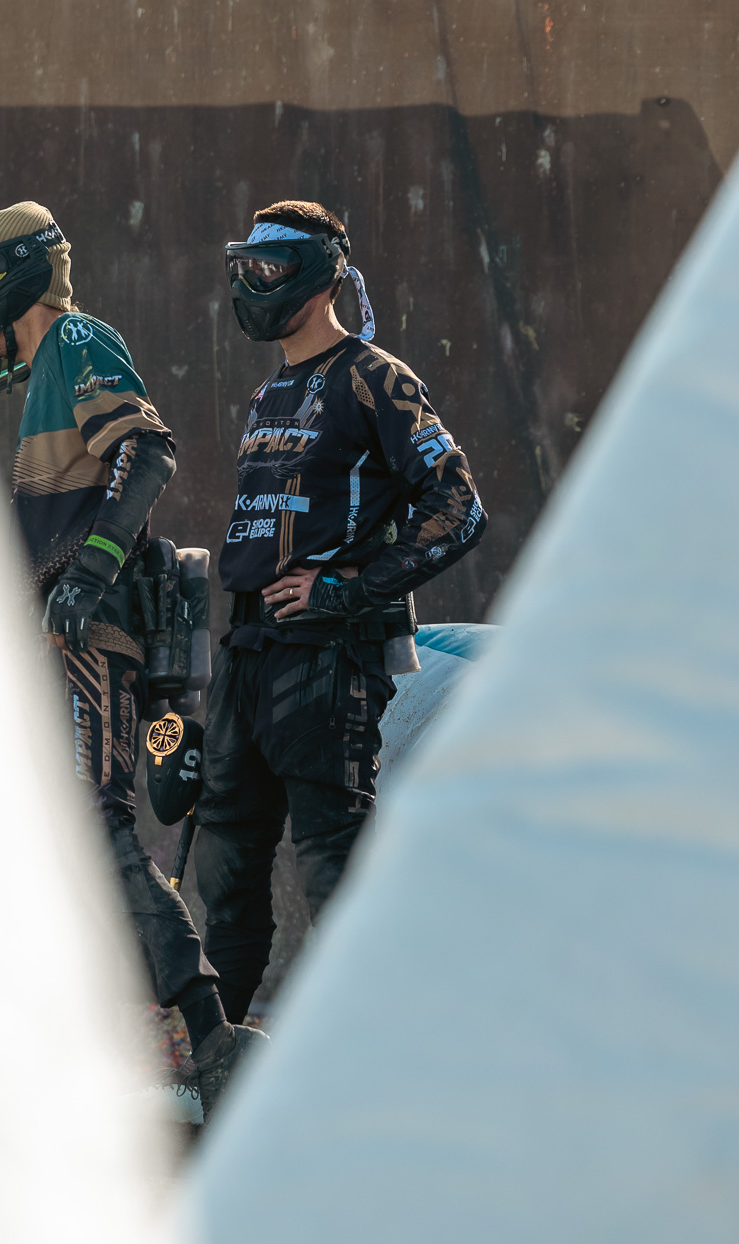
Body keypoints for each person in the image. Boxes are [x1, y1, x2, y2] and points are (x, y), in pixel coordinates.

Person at [0, 201, 265, 1117]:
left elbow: (146, 452)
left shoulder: (76, 339)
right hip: (52, 641)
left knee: (92, 825)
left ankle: (210, 1036)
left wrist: (89, 574)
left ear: (22, 271)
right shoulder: (35, 373)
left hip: (88, 639)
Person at [194, 199, 487, 1024]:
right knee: (226, 870)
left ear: (321, 276)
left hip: (327, 659)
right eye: (245, 268)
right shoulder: (268, 393)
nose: (252, 284)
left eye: (269, 269)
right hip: (250, 651)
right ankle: (214, 1057)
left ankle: (371, 1050)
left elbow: (459, 508)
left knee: (334, 869)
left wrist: (349, 589)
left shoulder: (375, 378)